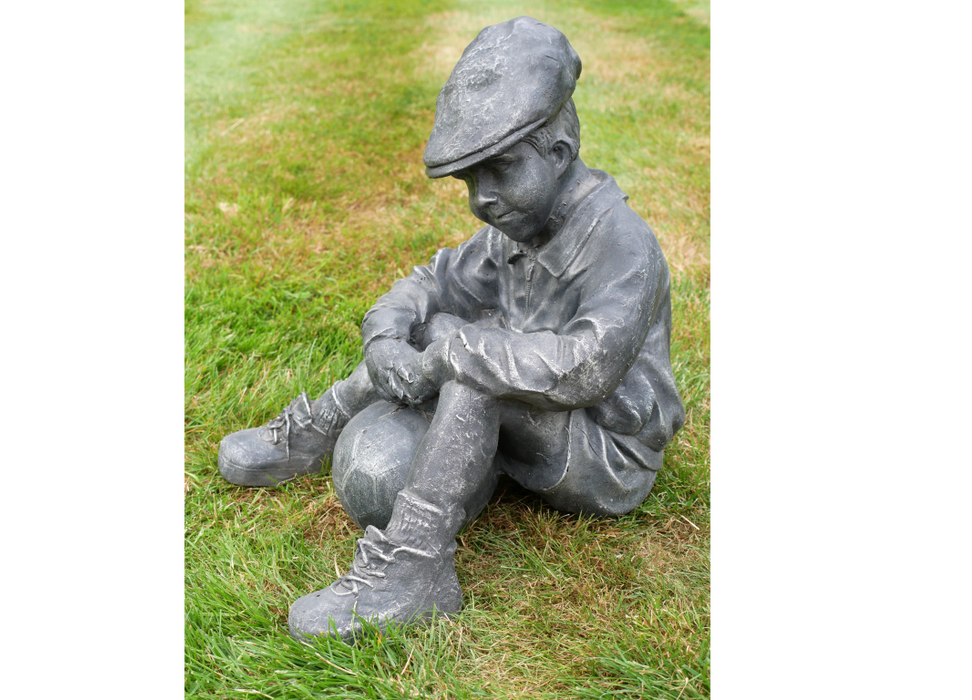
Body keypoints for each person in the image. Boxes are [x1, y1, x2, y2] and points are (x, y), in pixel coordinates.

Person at [216, 16, 685, 643]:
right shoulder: (510, 230)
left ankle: (417, 566)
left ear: (559, 153)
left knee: (470, 361)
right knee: (442, 327)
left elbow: (585, 368)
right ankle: (318, 427)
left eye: (500, 170)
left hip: (603, 449)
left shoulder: (624, 246)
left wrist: (449, 355)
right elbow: (424, 285)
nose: (483, 197)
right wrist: (387, 340)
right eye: (470, 180)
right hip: (536, 419)